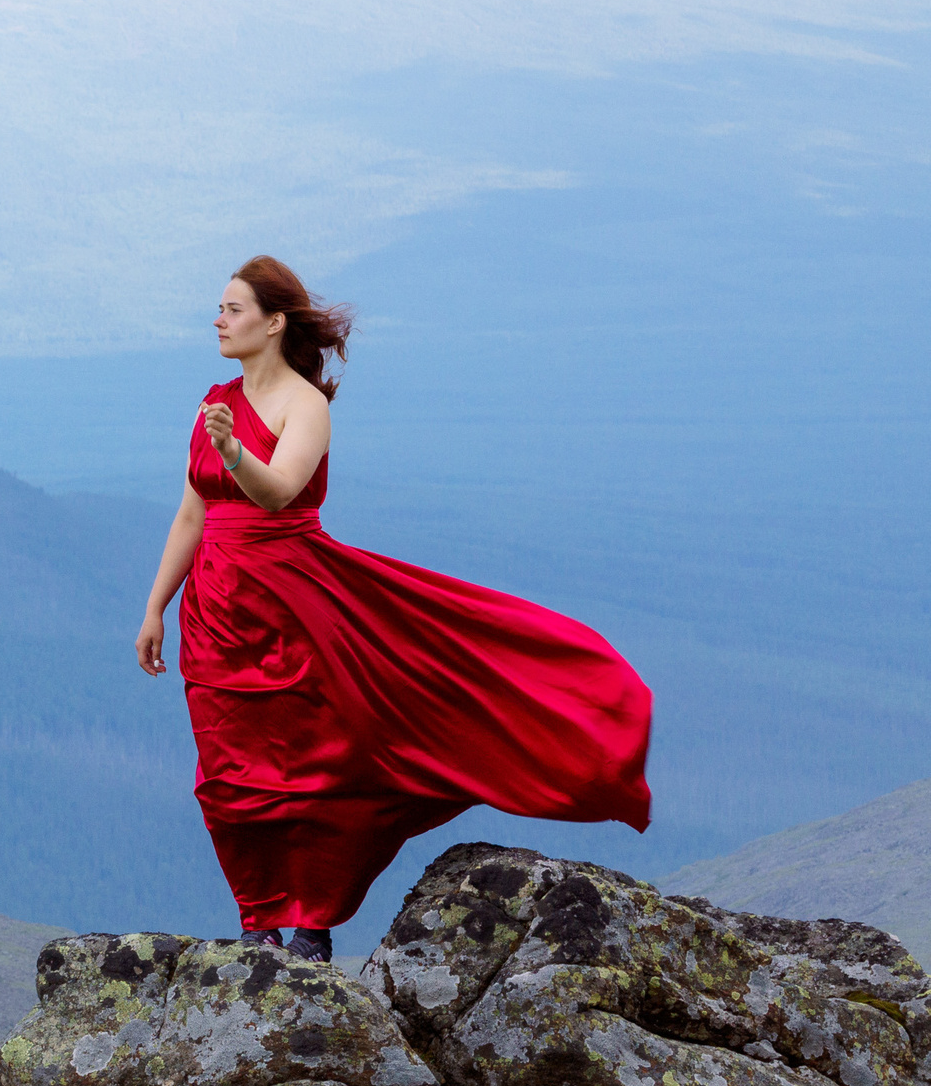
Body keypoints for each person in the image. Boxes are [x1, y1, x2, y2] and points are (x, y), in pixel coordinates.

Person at [133, 255, 653, 962]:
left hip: (295, 606)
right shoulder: (214, 399)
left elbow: (279, 492)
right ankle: (258, 924)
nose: (218, 320)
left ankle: (312, 926)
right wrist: (156, 606)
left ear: (273, 322)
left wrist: (231, 449)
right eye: (220, 309)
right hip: (215, 614)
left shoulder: (304, 405)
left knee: (322, 764)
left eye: (232, 309)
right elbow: (192, 515)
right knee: (227, 775)